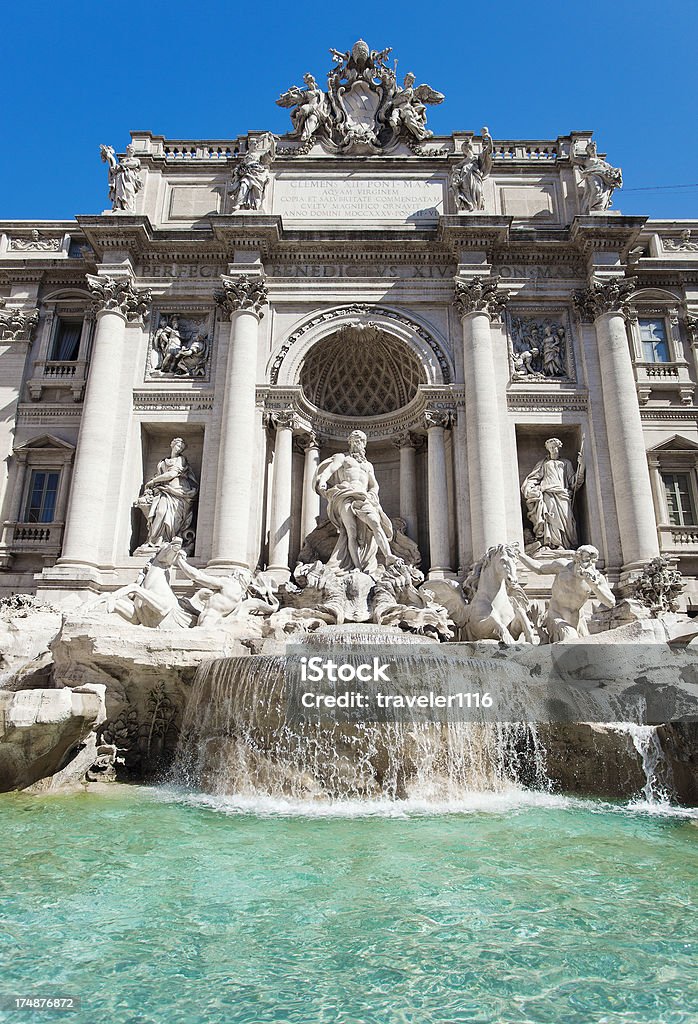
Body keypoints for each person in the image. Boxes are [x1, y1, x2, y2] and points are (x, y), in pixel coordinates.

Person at [313, 430, 397, 575]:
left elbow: (374, 485)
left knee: (375, 523)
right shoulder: (343, 458)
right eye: (355, 440)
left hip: (363, 496)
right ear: (350, 442)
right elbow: (331, 469)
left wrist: (372, 495)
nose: (358, 443)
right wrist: (323, 481)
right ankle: (357, 566)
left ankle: (389, 556)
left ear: (365, 444)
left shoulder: (368, 465)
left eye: (361, 441)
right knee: (350, 531)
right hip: (345, 494)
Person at [518, 545, 615, 642]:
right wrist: (520, 555)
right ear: (577, 559)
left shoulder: (597, 579)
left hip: (577, 620)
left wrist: (594, 586)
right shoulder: (562, 567)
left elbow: (610, 603)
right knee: (571, 639)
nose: (590, 565)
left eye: (593, 562)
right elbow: (539, 568)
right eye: (586, 560)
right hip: (556, 615)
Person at [521, 438, 583, 549]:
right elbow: (534, 478)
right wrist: (530, 489)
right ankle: (554, 544)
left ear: (559, 447)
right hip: (548, 493)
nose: (553, 449)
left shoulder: (566, 463)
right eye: (550, 448)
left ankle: (566, 545)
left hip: (563, 494)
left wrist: (581, 466)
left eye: (554, 447)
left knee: (567, 520)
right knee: (551, 518)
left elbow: (573, 482)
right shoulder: (544, 464)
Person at [140, 438, 199, 550]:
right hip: (163, 490)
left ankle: (165, 540)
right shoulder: (163, 462)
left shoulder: (181, 459)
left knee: (169, 516)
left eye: (182, 448)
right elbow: (160, 474)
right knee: (160, 512)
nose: (179, 448)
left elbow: (172, 474)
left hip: (177, 492)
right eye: (178, 446)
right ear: (172, 445)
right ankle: (154, 541)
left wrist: (153, 481)